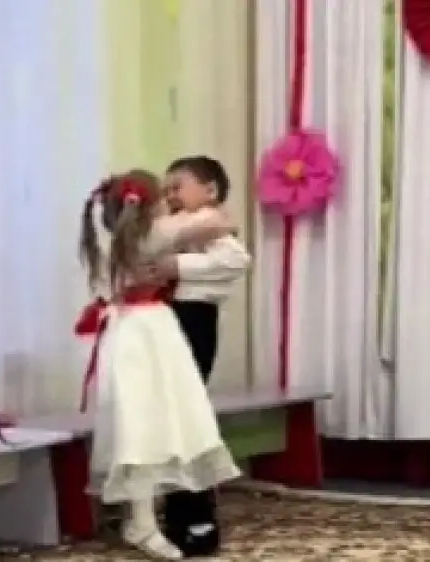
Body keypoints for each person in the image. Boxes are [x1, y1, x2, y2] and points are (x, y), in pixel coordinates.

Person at [77, 170, 242, 560]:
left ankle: (142, 518)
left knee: (142, 425)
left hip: (128, 331)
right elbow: (220, 221)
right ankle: (143, 522)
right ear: (147, 206)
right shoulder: (150, 235)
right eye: (162, 197)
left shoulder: (111, 236)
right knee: (148, 425)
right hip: (147, 332)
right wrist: (196, 214)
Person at [155, 155, 250, 556]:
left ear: (209, 191)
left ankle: (197, 514)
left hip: (194, 323)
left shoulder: (211, 226)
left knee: (187, 420)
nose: (170, 195)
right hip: (163, 322)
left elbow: (236, 260)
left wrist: (175, 265)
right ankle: (176, 512)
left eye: (178, 187)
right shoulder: (180, 225)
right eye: (166, 189)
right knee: (168, 421)